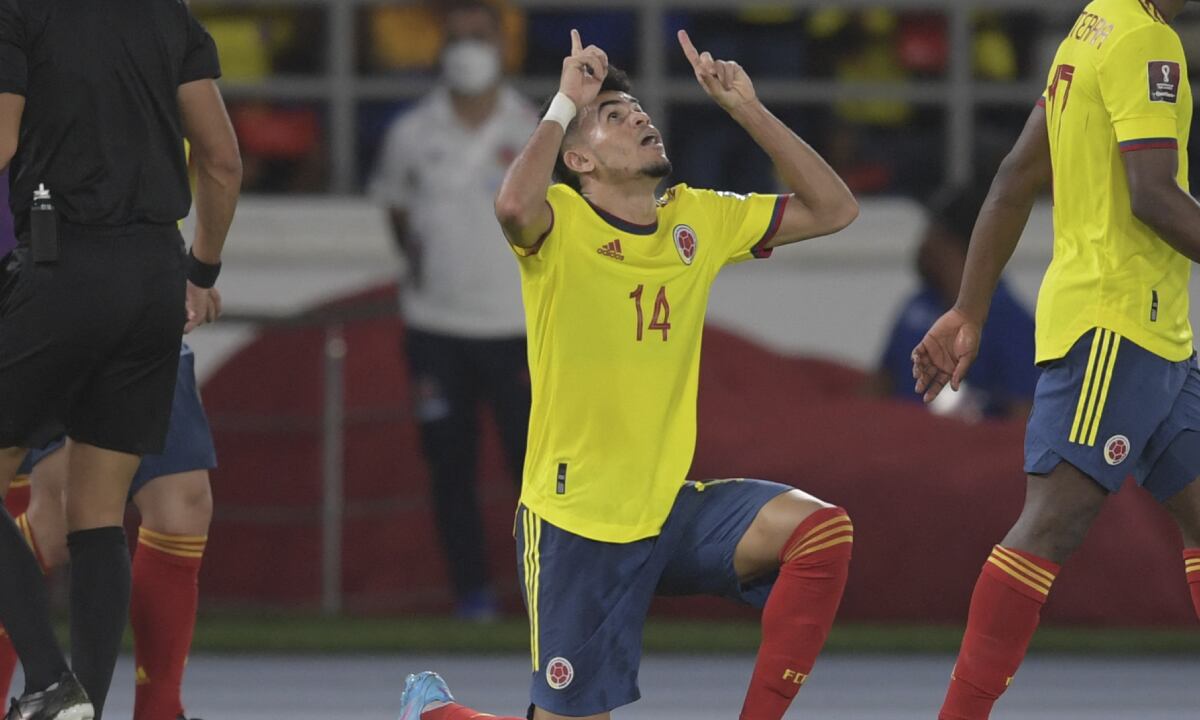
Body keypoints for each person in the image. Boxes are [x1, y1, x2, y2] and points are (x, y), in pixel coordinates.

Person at [400, 27, 859, 720]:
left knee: (820, 532)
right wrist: (563, 102)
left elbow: (835, 209)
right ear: (578, 157)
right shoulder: (560, 224)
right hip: (574, 523)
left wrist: (747, 110)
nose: (640, 117)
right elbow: (511, 208)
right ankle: (434, 716)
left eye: (639, 111)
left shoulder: (697, 219)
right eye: (615, 116)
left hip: (666, 510)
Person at [912, 0, 1200, 717]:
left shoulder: (1091, 27)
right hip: (1118, 323)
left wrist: (968, 309)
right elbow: (1154, 197)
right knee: (1052, 521)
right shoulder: (1147, 41)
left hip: (1154, 332)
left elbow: (1014, 173)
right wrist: (969, 308)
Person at [0, 0, 241, 717]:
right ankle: (86, 705)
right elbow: (222, 159)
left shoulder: (20, 14)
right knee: (97, 514)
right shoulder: (167, 15)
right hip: (154, 278)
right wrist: (200, 270)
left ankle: (47, 682)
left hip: (61, 263)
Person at [369, 0, 535, 620]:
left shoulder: (534, 129)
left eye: (480, 37)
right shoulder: (412, 133)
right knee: (450, 472)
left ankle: (543, 594)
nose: (468, 49)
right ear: (441, 46)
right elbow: (396, 210)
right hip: (436, 329)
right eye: (458, 37)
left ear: (502, 46)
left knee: (538, 479)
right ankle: (474, 598)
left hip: (518, 329)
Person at [0, 342, 216, 720]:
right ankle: (46, 693)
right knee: (57, 522)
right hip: (61, 316)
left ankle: (160, 711)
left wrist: (199, 280)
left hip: (150, 316)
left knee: (184, 505)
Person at [871, 184, 1037, 420]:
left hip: (965, 451)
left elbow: (1022, 419)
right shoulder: (918, 304)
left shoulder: (1011, 322)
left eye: (932, 230)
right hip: (898, 445)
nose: (922, 243)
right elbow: (879, 385)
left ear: (952, 243)